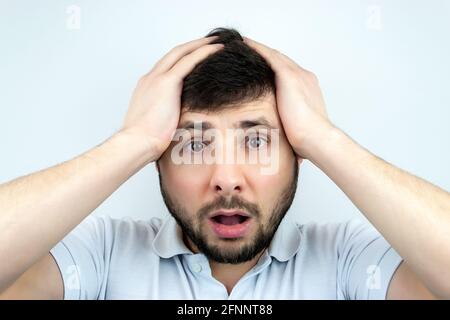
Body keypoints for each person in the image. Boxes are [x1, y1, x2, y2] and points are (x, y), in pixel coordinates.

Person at [0, 28, 449, 300]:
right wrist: (133, 140)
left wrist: (323, 137)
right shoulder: (101, 254)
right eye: (193, 145)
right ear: (157, 159)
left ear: (299, 155)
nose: (227, 180)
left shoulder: (348, 259)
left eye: (258, 141)